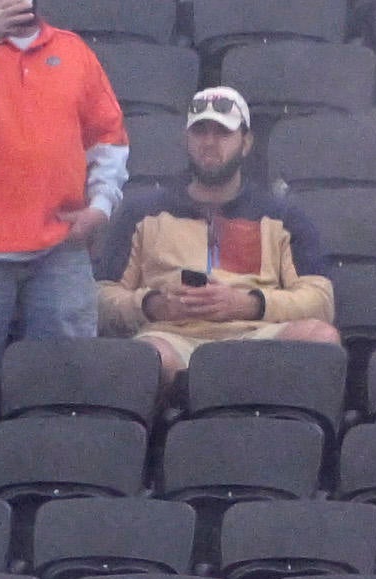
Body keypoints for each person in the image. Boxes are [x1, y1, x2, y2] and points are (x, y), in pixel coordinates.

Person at [0, 0, 127, 352]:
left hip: (60, 247)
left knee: (66, 382)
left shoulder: (75, 51)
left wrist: (101, 204)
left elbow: (108, 137)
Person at [112, 85, 337, 372]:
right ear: (186, 140)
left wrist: (248, 304)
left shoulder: (281, 215)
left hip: (257, 333)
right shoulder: (142, 212)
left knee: (321, 338)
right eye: (200, 131)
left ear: (246, 142)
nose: (209, 142)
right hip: (173, 336)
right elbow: (101, 297)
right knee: (148, 358)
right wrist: (152, 305)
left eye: (223, 132)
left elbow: (321, 299)